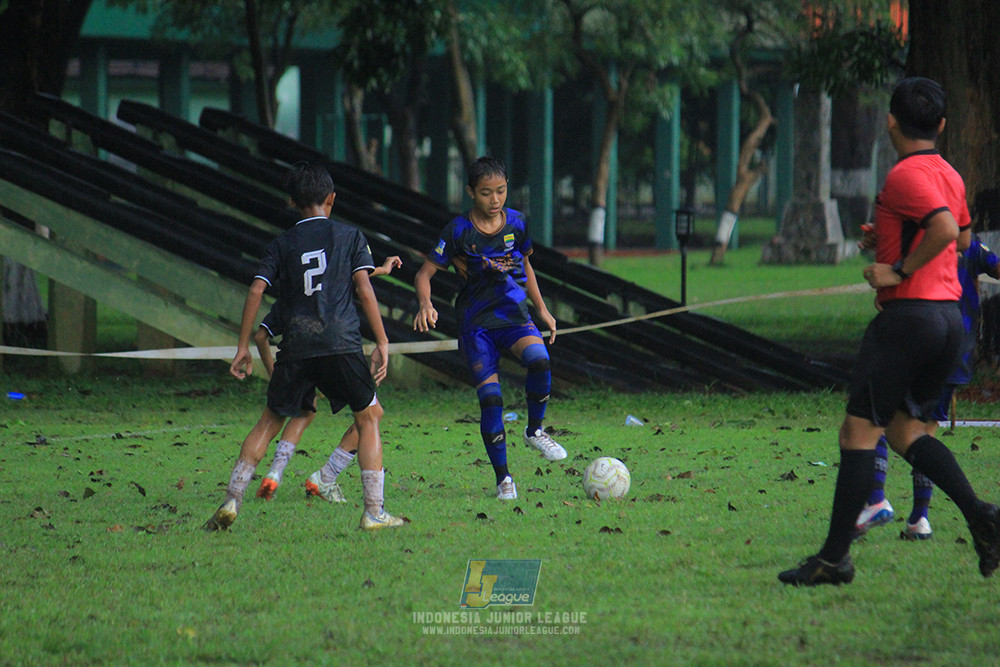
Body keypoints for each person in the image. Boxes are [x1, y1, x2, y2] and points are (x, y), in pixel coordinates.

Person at [779, 77, 1000, 586]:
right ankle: (981, 515)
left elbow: (944, 230)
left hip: (909, 319)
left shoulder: (905, 174)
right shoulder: (949, 173)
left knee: (858, 433)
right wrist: (892, 234)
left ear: (890, 122)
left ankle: (833, 560)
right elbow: (963, 239)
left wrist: (897, 269)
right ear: (941, 124)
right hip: (947, 322)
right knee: (905, 432)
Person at [204, 162, 405, 532]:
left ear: (292, 202)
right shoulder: (349, 235)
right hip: (340, 342)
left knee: (268, 421)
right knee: (368, 417)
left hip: (296, 345)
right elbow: (362, 288)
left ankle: (231, 499)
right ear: (332, 199)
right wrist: (382, 340)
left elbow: (257, 289)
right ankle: (374, 511)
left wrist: (242, 347)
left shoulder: (282, 244)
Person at [413, 156, 566, 501]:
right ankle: (504, 479)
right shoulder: (458, 231)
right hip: (476, 325)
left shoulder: (518, 223)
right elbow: (424, 274)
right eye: (486, 193)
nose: (495, 200)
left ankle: (534, 430)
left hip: (514, 315)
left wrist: (542, 309)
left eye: (500, 191)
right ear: (471, 192)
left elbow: (527, 265)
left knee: (540, 360)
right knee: (492, 400)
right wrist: (425, 304)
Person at [856, 236, 1000, 541]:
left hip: (920, 340)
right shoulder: (971, 246)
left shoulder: (920, 244)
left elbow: (887, 298)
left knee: (873, 416)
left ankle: (876, 499)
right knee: (925, 433)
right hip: (956, 351)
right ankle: (920, 519)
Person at [253, 256, 403, 502]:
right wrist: (382, 270)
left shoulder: (290, 299)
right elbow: (354, 276)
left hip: (297, 356)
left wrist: (273, 374)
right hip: (335, 350)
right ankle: (328, 478)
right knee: (371, 414)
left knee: (301, 413)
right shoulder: (334, 285)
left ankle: (273, 473)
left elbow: (260, 336)